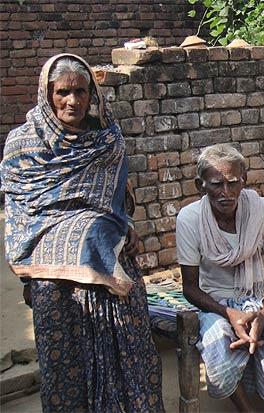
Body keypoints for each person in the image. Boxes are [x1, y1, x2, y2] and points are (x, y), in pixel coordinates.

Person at [0, 54, 164, 412]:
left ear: (92, 95)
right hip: (52, 278)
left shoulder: (106, 139)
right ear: (47, 93)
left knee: (131, 355)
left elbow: (119, 197)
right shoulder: (23, 146)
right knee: (65, 368)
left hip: (108, 266)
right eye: (63, 92)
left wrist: (127, 225)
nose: (72, 101)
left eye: (81, 91)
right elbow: (21, 212)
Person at [176, 143, 264, 412]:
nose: (226, 193)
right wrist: (230, 314)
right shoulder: (189, 219)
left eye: (233, 183)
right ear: (200, 185)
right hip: (214, 301)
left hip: (260, 294)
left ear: (244, 180)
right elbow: (190, 287)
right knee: (218, 345)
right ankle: (246, 409)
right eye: (216, 184)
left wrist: (263, 312)